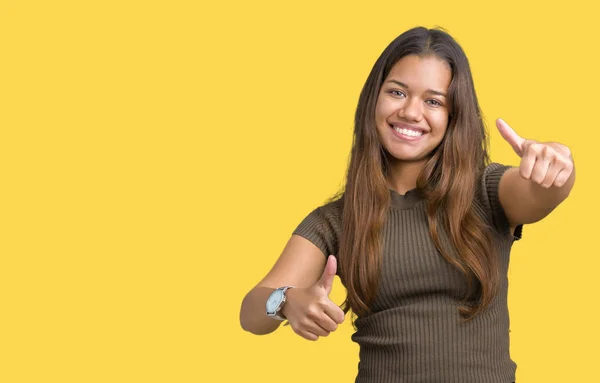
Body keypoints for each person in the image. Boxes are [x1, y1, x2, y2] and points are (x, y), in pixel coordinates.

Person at [239, 26, 575, 383]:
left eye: (433, 101)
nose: (411, 112)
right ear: (374, 99)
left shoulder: (485, 191)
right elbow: (251, 311)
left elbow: (543, 194)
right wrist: (286, 300)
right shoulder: (337, 220)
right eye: (397, 92)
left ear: (452, 116)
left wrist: (555, 166)